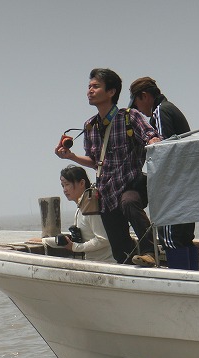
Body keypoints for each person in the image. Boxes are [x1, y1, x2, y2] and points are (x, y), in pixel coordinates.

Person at [55, 68, 161, 266]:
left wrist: (154, 140)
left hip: (132, 184)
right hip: (107, 192)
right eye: (89, 87)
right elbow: (95, 161)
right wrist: (70, 156)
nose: (90, 91)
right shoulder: (90, 126)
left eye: (96, 86)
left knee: (129, 202)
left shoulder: (130, 117)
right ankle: (134, 269)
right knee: (121, 253)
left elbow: (150, 136)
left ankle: (150, 251)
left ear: (111, 92)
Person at [129, 76, 199, 270]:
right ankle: (191, 281)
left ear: (144, 96)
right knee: (184, 238)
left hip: (173, 190)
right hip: (186, 186)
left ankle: (181, 285)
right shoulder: (172, 109)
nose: (139, 111)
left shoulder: (160, 112)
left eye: (137, 104)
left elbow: (161, 151)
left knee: (171, 239)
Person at [30, 165, 115, 263]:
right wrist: (45, 241)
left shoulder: (91, 209)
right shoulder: (81, 208)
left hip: (105, 263)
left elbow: (103, 240)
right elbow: (75, 238)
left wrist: (75, 247)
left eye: (67, 184)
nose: (65, 190)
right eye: (63, 186)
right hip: (93, 262)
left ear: (82, 183)